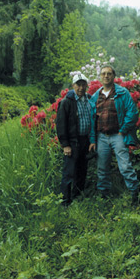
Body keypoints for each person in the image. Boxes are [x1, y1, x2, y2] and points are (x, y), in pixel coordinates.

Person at [89, 65, 140, 205]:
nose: (106, 76)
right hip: (101, 137)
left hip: (118, 135)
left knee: (125, 167)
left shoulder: (122, 93)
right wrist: (92, 139)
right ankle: (104, 196)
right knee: (102, 168)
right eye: (103, 74)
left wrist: (123, 130)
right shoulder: (95, 97)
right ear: (100, 77)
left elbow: (132, 112)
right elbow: (92, 120)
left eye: (109, 74)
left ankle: (134, 196)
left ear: (113, 76)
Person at [56, 73, 95, 206]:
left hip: (86, 141)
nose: (81, 88)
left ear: (86, 86)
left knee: (82, 170)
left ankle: (78, 196)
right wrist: (65, 144)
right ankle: (65, 201)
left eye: (83, 84)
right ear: (73, 86)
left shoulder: (89, 99)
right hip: (73, 142)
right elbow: (61, 125)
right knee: (69, 172)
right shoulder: (66, 102)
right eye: (78, 85)